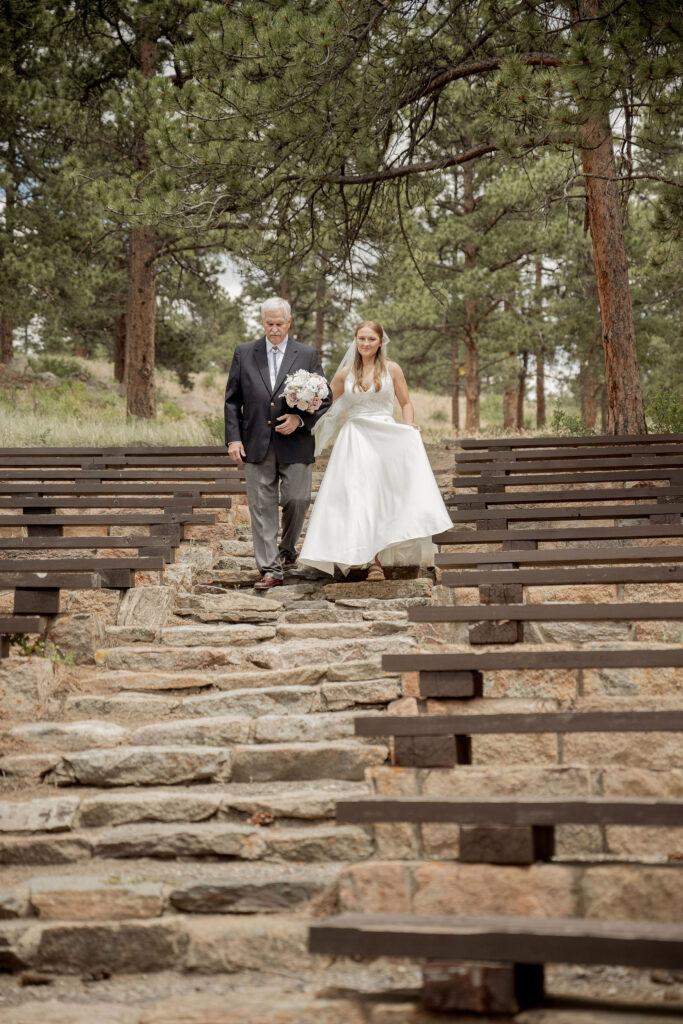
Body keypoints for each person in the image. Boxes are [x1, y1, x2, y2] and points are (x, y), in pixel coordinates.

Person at [298, 320, 452, 579]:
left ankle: (375, 562)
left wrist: (408, 424)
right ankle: (361, 556)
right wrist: (299, 399)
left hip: (384, 438)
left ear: (380, 342)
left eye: (371, 339)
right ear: (355, 341)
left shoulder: (392, 369)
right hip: (355, 439)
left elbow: (406, 402)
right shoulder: (345, 373)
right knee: (357, 496)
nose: (366, 344)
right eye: (361, 339)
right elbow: (323, 403)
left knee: (380, 496)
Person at [224, 297, 331, 590]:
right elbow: (232, 400)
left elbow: (326, 397)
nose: (274, 329)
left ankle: (286, 551)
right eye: (269, 323)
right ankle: (270, 569)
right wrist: (233, 438)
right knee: (261, 507)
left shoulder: (307, 354)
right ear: (262, 322)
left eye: (279, 324)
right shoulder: (244, 353)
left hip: (295, 443)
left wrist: (301, 419)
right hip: (255, 442)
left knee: (298, 499)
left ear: (289, 322)